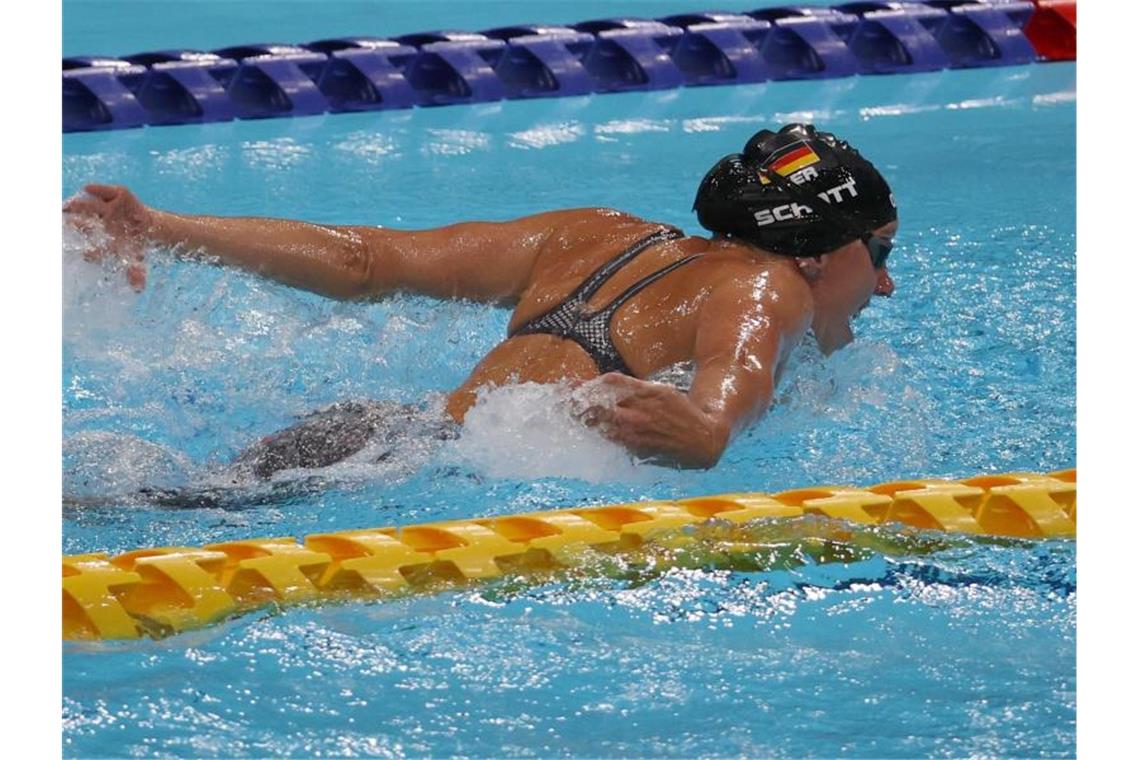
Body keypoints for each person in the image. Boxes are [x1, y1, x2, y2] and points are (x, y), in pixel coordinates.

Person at [63, 123, 898, 474]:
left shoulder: (595, 230)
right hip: (421, 472)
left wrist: (161, 225)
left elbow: (366, 261)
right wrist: (712, 427)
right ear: (823, 254)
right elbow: (735, 375)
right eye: (882, 250)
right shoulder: (771, 283)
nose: (887, 282)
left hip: (376, 431)